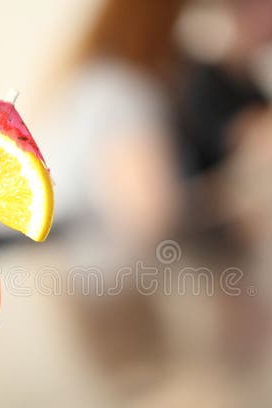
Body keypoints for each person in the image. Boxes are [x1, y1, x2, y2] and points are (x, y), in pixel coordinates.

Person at [42, 0, 185, 265]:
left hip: (72, 264)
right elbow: (149, 215)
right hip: (110, 272)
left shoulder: (89, 79)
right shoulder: (124, 91)